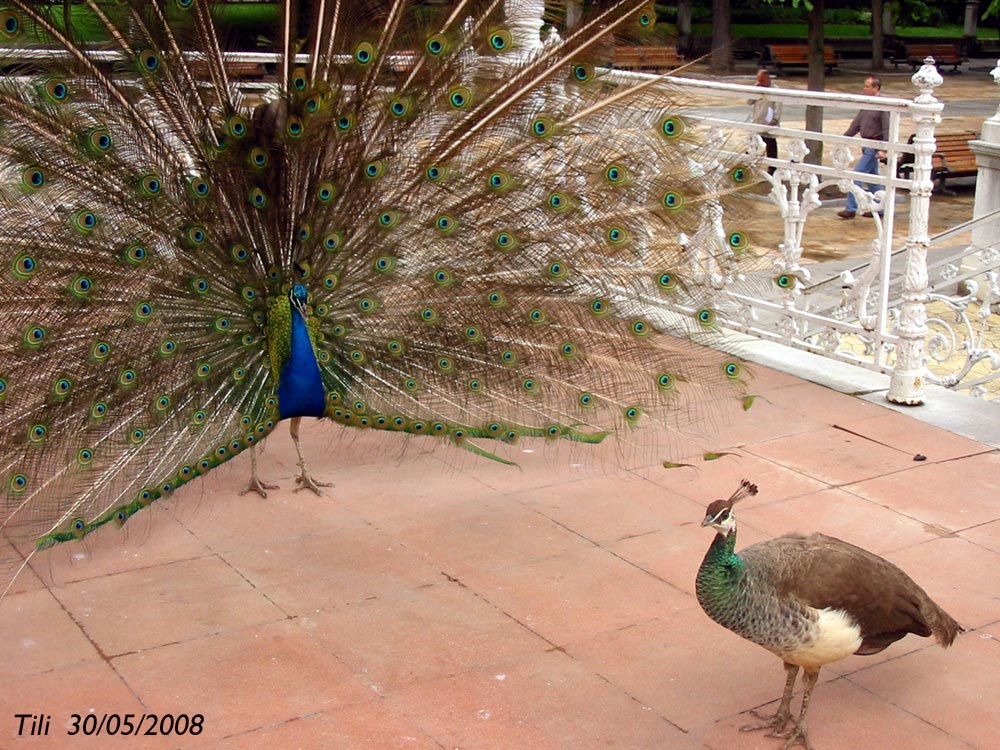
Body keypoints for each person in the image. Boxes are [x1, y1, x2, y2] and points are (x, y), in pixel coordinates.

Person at [838, 76, 890, 219]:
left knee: (856, 175)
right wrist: (845, 137)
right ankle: (881, 208)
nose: (864, 89)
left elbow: (887, 128)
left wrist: (884, 149)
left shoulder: (883, 105)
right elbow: (857, 122)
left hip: (874, 146)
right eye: (865, 86)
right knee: (873, 178)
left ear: (876, 88)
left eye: (867, 86)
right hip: (866, 145)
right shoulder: (867, 103)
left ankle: (851, 208)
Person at [749, 69, 781, 173]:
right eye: (759, 80)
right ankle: (747, 165)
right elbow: (749, 101)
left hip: (768, 121)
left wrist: (775, 120)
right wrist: (754, 89)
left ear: (767, 79)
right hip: (757, 121)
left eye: (762, 80)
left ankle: (772, 169)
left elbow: (778, 107)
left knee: (770, 146)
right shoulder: (758, 88)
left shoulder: (776, 90)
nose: (760, 83)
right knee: (752, 144)